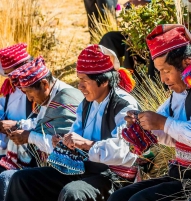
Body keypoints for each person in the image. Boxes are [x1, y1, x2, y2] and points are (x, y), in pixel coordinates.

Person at [108, 24, 191, 201]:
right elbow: (169, 134)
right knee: (119, 197)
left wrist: (162, 123)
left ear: (187, 62)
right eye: (160, 71)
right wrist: (143, 126)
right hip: (181, 174)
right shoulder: (180, 90)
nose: (163, 79)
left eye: (166, 71)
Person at [5, 45, 139, 201]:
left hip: (114, 176)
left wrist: (86, 144)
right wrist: (63, 143)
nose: (79, 86)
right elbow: (76, 136)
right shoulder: (86, 103)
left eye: (84, 80)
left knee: (72, 193)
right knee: (21, 180)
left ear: (103, 81)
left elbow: (125, 153)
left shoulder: (124, 105)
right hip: (85, 169)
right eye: (79, 79)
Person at [0, 55, 84, 200]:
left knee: (14, 178)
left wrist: (29, 137)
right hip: (47, 161)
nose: (29, 98)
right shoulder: (49, 97)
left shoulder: (65, 99)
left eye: (29, 92)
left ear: (45, 84)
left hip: (71, 171)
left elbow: (65, 150)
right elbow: (41, 128)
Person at [0, 43, 36, 201]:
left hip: (33, 154)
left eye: (12, 75)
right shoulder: (10, 89)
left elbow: (47, 124)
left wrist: (16, 125)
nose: (11, 80)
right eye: (8, 75)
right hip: (8, 150)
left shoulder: (40, 87)